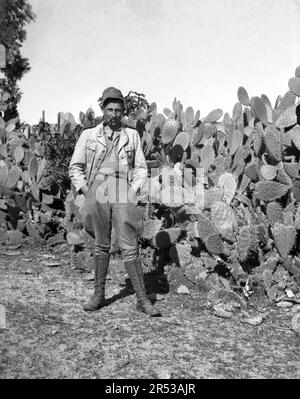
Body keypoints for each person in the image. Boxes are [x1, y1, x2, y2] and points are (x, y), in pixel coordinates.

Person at [69, 87, 161, 317]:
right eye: (109, 109)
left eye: (118, 110)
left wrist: (131, 191)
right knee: (101, 243)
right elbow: (75, 167)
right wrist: (87, 190)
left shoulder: (132, 136)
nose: (113, 114)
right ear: (103, 109)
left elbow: (140, 169)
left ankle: (142, 299)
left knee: (129, 244)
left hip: (122, 190)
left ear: (123, 111)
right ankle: (98, 295)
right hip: (97, 188)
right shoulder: (89, 135)